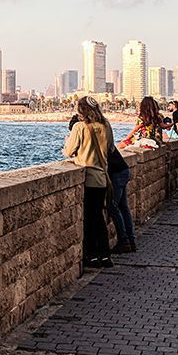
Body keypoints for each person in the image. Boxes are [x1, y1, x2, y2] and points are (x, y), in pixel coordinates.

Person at [63, 97, 114, 269]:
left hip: (89, 178)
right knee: (99, 218)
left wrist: (67, 143)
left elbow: (69, 151)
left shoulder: (79, 127)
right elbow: (111, 149)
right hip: (102, 178)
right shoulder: (106, 125)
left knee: (89, 219)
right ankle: (105, 255)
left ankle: (92, 256)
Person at [107, 144, 136, 254]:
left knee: (113, 206)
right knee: (123, 207)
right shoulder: (105, 137)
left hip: (117, 174)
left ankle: (124, 241)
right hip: (123, 170)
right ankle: (131, 240)